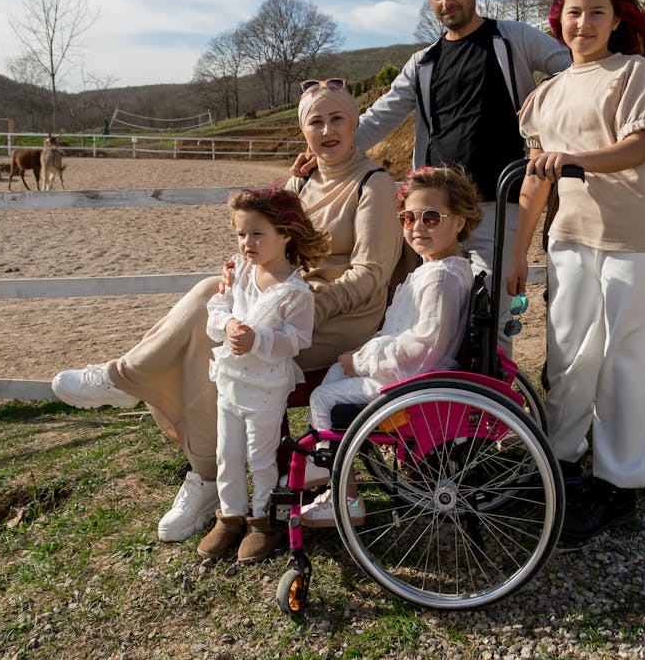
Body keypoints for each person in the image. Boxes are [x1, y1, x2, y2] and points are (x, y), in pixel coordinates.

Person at [52, 83, 403, 544]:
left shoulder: (372, 184)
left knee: (211, 333)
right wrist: (243, 278)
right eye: (315, 121)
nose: (327, 130)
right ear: (303, 130)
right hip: (283, 300)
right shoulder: (300, 181)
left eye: (337, 118)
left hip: (336, 318)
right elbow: (275, 244)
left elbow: (371, 275)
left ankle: (156, 416)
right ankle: (203, 470)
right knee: (211, 306)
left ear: (356, 123)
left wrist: (300, 307)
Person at [505, 0, 645, 545]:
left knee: (630, 357)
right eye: (573, 13)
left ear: (614, 19)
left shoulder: (632, 74)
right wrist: (517, 252)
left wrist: (575, 161)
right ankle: (560, 462)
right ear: (559, 20)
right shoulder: (545, 96)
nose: (583, 23)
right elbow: (535, 179)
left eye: (595, 13)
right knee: (570, 354)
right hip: (572, 236)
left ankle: (618, 485)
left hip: (637, 235)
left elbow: (636, 147)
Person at [347, 0, 571, 348]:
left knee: (493, 316)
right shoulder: (424, 63)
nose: (446, 1)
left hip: (499, 208)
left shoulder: (512, 38)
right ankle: (445, 406)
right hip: (436, 216)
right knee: (437, 316)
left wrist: (542, 95)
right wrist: (324, 150)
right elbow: (380, 117)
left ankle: (490, 404)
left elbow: (572, 67)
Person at [300, 165, 482, 527]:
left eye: (431, 218)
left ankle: (343, 493)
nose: (417, 227)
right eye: (408, 217)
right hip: (415, 374)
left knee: (323, 398)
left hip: (416, 384)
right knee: (335, 373)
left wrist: (363, 361)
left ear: (459, 221)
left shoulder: (441, 278)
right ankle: (325, 466)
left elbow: (423, 347)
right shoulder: (442, 269)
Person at [197, 186, 330, 563]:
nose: (247, 242)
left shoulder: (296, 292)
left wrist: (257, 339)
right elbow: (218, 304)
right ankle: (231, 514)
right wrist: (226, 326)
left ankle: (263, 519)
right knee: (228, 452)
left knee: (260, 455)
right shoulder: (238, 271)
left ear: (285, 233)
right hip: (230, 381)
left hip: (267, 387)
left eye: (257, 233)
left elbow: (297, 339)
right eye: (241, 234)